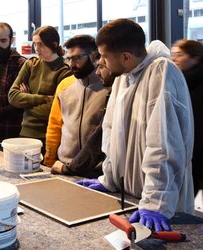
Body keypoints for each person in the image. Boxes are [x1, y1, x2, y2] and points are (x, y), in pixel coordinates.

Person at [78, 19, 194, 232]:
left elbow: (164, 144)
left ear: (125, 57)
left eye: (104, 56)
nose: (100, 62)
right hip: (131, 195)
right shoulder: (124, 76)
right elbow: (112, 132)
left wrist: (156, 202)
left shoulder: (161, 72)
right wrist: (109, 178)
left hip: (163, 206)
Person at [44, 35, 111, 178]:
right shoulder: (64, 86)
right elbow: (55, 126)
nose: (71, 65)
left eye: (77, 58)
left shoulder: (109, 87)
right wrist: (49, 161)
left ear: (94, 56)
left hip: (97, 170)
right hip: (64, 166)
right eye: (69, 59)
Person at [8, 26, 72, 152]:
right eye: (35, 44)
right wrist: (42, 98)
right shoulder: (31, 64)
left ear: (54, 44)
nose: (36, 49)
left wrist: (26, 100)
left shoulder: (64, 71)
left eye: (41, 44)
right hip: (25, 133)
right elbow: (12, 96)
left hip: (48, 137)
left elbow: (53, 111)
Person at [171, 39, 203, 196]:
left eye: (179, 55)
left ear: (195, 58)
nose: (173, 59)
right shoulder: (179, 82)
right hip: (188, 149)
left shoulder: (194, 84)